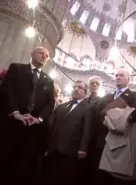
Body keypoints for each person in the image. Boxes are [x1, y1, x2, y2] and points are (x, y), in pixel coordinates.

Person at [0, 47, 55, 185]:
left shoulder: (48, 80)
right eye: (41, 53)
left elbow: (50, 103)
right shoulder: (17, 68)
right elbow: (7, 90)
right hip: (11, 124)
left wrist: (39, 119)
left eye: (47, 56)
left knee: (21, 166)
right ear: (32, 54)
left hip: (32, 129)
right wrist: (15, 113)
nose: (44, 56)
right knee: (4, 159)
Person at [92, 69, 136, 185]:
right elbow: (98, 116)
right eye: (116, 75)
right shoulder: (105, 98)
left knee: (119, 179)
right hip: (104, 141)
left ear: (129, 79)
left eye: (121, 75)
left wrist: (121, 118)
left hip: (124, 142)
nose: (118, 77)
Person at [45, 80, 93, 185]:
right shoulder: (62, 106)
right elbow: (52, 125)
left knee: (66, 178)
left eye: (80, 87)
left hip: (71, 149)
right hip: (55, 147)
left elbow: (87, 129)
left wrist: (83, 148)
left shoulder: (88, 108)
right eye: (74, 87)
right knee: (51, 176)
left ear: (86, 93)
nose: (76, 89)